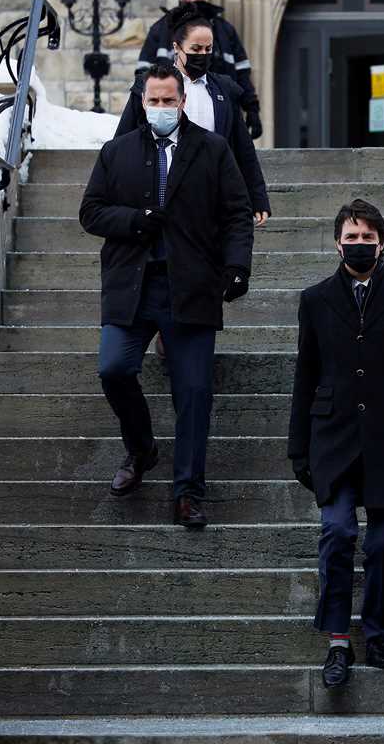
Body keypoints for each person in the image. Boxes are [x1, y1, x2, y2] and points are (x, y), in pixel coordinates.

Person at [80, 62, 254, 528]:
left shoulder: (213, 150)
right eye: (152, 100)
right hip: (131, 286)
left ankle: (188, 492)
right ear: (142, 102)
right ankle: (141, 449)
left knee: (194, 392)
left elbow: (237, 213)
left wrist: (236, 267)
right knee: (113, 367)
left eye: (168, 100)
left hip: (192, 287)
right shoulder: (117, 153)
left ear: (182, 101)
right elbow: (91, 213)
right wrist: (136, 220)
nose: (160, 107)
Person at [287, 199, 384, 689]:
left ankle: (377, 631)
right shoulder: (315, 300)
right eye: (351, 238)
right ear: (337, 242)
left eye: (367, 237)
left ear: (383, 242)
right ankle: (338, 641)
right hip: (332, 440)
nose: (359, 245)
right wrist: (298, 447)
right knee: (337, 533)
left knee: (380, 544)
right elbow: (305, 373)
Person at [115, 2, 271, 227]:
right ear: (177, 47)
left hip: (211, 194)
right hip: (160, 190)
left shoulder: (224, 90)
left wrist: (258, 198)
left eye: (208, 49)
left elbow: (243, 148)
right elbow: (123, 139)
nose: (203, 55)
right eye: (196, 49)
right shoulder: (151, 86)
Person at [137, 0, 261, 138]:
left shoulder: (225, 30)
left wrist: (252, 109)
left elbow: (243, 73)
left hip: (220, 110)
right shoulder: (161, 30)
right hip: (173, 113)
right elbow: (142, 76)